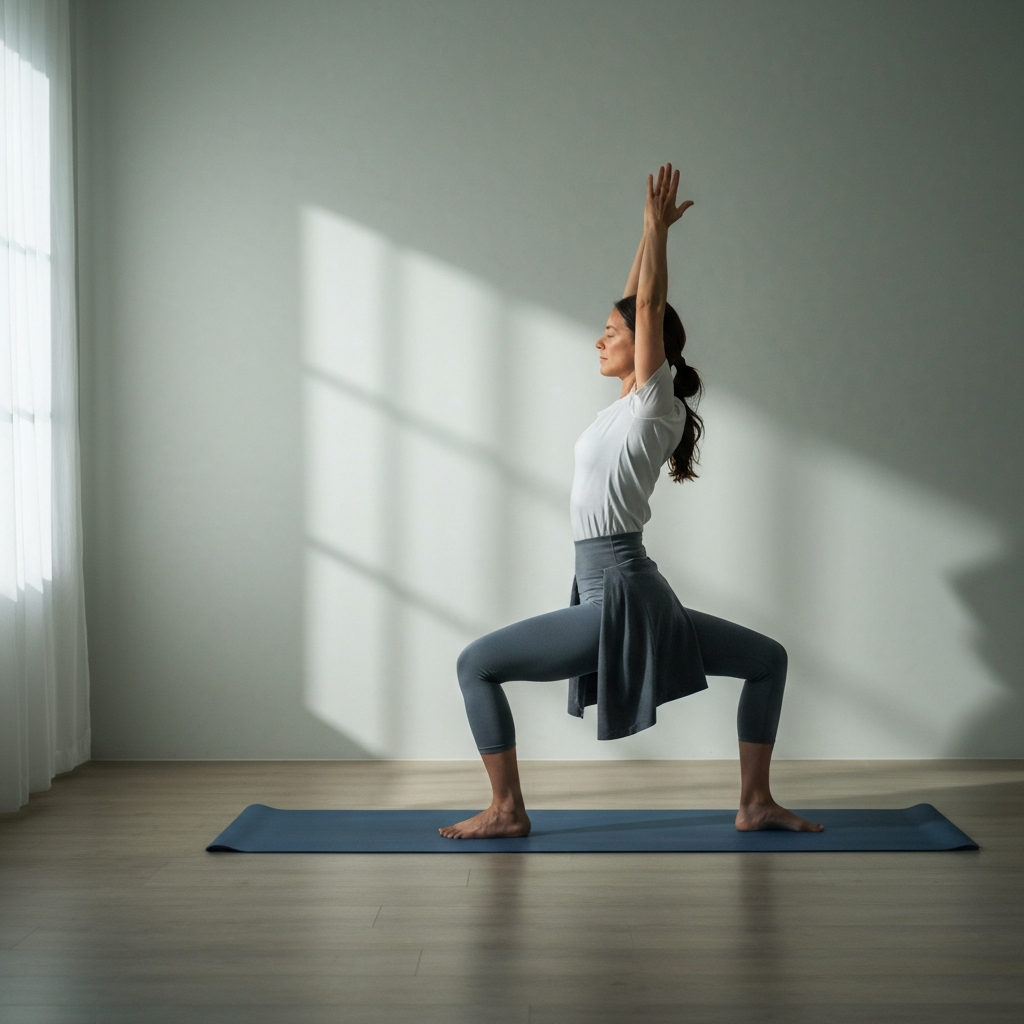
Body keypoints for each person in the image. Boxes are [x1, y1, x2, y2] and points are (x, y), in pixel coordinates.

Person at [440, 165, 823, 840]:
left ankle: (507, 810)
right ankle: (755, 801)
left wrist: (655, 232)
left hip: (620, 588)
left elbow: (644, 309)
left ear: (647, 352)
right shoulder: (626, 408)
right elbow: (631, 300)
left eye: (609, 335)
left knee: (477, 664)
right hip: (609, 588)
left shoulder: (657, 403)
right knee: (769, 659)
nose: (600, 338)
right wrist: (645, 238)